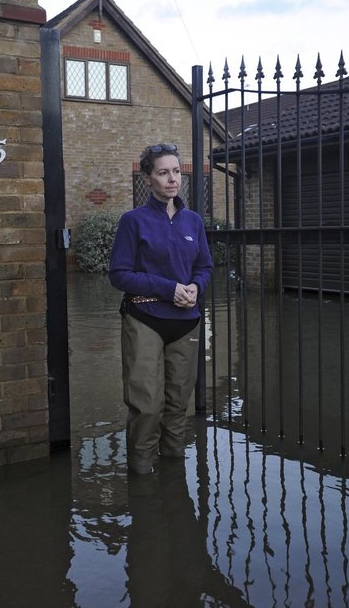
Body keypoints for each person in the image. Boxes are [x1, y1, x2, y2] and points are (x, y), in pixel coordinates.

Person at [109, 143, 213, 475]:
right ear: (148, 177)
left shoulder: (193, 222)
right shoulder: (133, 221)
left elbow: (205, 267)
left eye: (176, 172)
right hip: (145, 319)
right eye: (163, 172)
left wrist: (196, 286)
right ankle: (141, 478)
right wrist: (169, 289)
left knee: (177, 405)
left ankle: (173, 478)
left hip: (186, 322)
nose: (172, 179)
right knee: (146, 405)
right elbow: (119, 274)